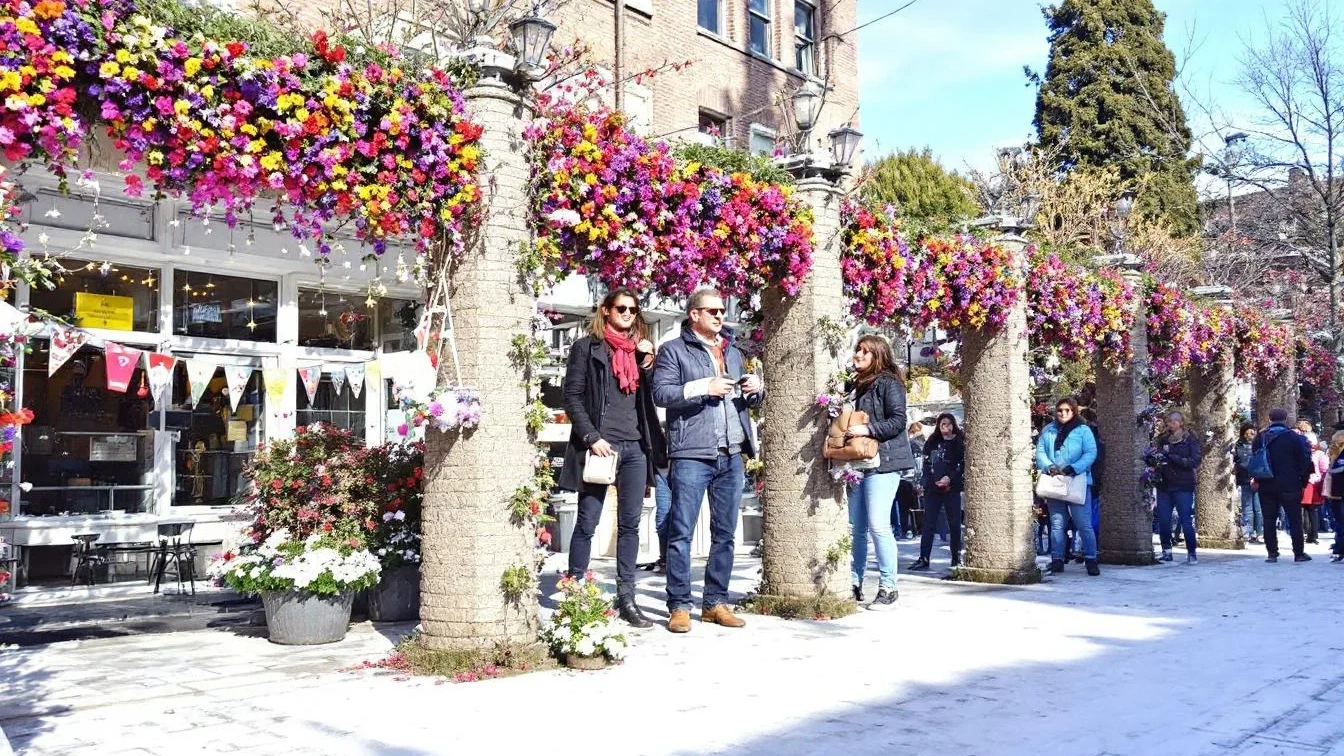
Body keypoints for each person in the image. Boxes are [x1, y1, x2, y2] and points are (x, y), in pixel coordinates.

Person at [652, 288, 763, 633]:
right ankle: (679, 606)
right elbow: (662, 393)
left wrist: (754, 389)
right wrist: (703, 387)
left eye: (722, 310)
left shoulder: (732, 352)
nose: (719, 315)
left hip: (732, 452)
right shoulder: (673, 350)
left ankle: (715, 603)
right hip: (691, 454)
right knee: (681, 531)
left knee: (725, 534)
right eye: (712, 310)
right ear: (694, 315)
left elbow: (746, 402)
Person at [558, 288, 667, 628]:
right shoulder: (586, 348)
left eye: (633, 310)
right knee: (587, 522)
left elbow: (649, 399)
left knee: (630, 526)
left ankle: (627, 598)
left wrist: (648, 363)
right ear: (605, 311)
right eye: (621, 308)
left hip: (635, 447)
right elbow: (572, 397)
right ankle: (574, 591)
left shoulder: (639, 353)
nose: (628, 314)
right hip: (601, 447)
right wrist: (592, 437)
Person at [843, 335, 916, 608]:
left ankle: (888, 585)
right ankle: (854, 582)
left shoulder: (889, 382)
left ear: (877, 355)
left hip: (884, 462)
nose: (858, 356)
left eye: (864, 352)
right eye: (857, 351)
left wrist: (868, 429)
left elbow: (898, 421)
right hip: (858, 462)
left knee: (878, 525)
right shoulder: (854, 385)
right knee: (857, 528)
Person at [1035, 397, 1101, 576]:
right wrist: (1049, 466)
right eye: (1059, 410)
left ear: (1073, 411)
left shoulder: (1083, 430)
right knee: (1057, 523)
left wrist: (1075, 467)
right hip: (1055, 480)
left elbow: (1090, 452)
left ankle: (1090, 558)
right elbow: (1040, 451)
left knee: (1083, 523)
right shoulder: (1049, 430)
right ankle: (1057, 559)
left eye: (1067, 410)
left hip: (1077, 480)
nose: (1063, 414)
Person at [1253, 408, 1313, 563]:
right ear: (1285, 419)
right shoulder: (1294, 437)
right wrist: (1302, 480)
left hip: (1266, 484)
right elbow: (1304, 460)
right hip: (1290, 484)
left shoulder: (1261, 437)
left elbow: (1255, 459)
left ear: (1269, 419)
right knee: (1294, 519)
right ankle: (1298, 553)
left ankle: (1272, 554)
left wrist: (1258, 479)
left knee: (1269, 519)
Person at [1145, 410, 1203, 564]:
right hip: (1165, 484)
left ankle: (1191, 552)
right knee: (1164, 520)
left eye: (1173, 421)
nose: (1169, 424)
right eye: (1168, 421)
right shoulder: (1163, 440)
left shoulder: (1190, 440)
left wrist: (1174, 457)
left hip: (1183, 485)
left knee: (1185, 520)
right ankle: (1166, 550)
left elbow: (1194, 460)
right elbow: (1158, 457)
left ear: (1181, 422)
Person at [909, 413, 965, 572]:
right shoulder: (932, 442)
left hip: (951, 488)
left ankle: (956, 557)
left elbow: (961, 465)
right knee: (928, 524)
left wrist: (950, 478)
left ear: (953, 425)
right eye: (942, 424)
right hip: (933, 488)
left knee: (954, 524)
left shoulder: (959, 443)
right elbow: (926, 464)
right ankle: (924, 557)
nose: (945, 427)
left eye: (948, 424)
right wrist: (925, 482)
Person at [1234, 422, 1264, 544]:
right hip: (1245, 479)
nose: (1251, 434)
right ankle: (1249, 532)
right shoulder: (1238, 444)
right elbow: (1236, 460)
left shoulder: (1259, 444)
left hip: (1258, 479)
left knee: (1258, 508)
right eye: (1248, 432)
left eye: (1253, 431)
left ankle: (1260, 532)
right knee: (1247, 508)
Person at [1302, 433, 1328, 544]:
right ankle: (1311, 534)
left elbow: (1324, 468)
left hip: (1310, 483)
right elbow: (1324, 468)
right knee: (1310, 509)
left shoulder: (1313, 454)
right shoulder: (1318, 454)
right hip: (1312, 483)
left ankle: (1311, 534)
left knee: (1309, 509)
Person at [1327, 430, 1344, 563]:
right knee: (1339, 522)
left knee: (1340, 523)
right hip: (1336, 493)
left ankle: (1339, 549)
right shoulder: (1334, 454)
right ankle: (1339, 549)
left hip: (1337, 492)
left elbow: (1334, 471)